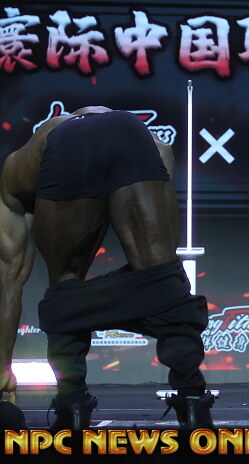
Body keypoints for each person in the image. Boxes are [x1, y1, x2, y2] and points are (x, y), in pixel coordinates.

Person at [0, 107, 213, 432]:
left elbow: (9, 282)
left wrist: (3, 367)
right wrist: (159, 276)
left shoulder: (15, 172)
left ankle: (72, 406)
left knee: (65, 288)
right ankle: (193, 401)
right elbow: (164, 153)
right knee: (164, 280)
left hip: (68, 148)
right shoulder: (140, 134)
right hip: (133, 133)